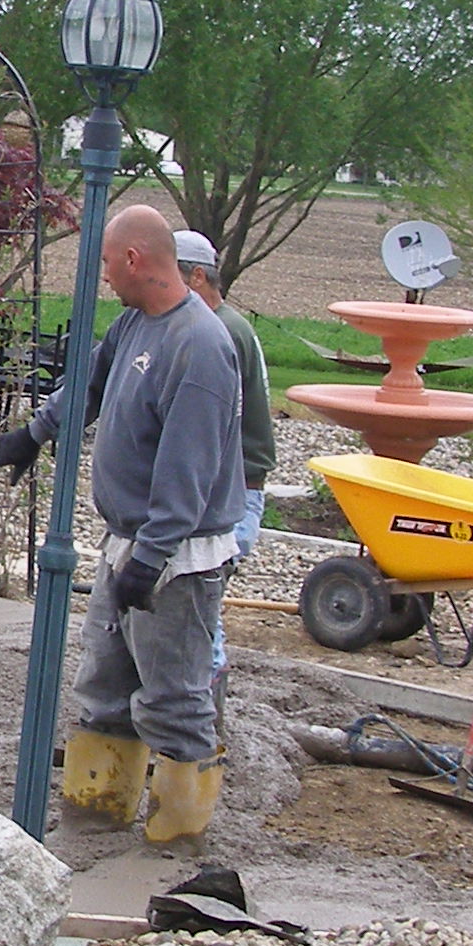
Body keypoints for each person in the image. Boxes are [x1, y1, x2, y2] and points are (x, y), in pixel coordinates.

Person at [0, 205, 246, 845]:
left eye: (103, 263)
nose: (101, 277)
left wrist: (149, 560)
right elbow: (88, 386)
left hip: (179, 559)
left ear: (134, 259)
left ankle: (178, 841)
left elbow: (190, 466)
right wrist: (34, 433)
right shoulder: (133, 327)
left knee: (174, 697)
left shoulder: (200, 347)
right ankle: (97, 815)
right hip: (129, 544)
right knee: (104, 685)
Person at [175, 229, 271, 685]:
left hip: (228, 499)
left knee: (198, 617)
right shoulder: (227, 326)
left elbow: (207, 431)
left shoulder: (221, 333)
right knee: (199, 616)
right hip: (234, 494)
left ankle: (199, 737)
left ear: (196, 277)